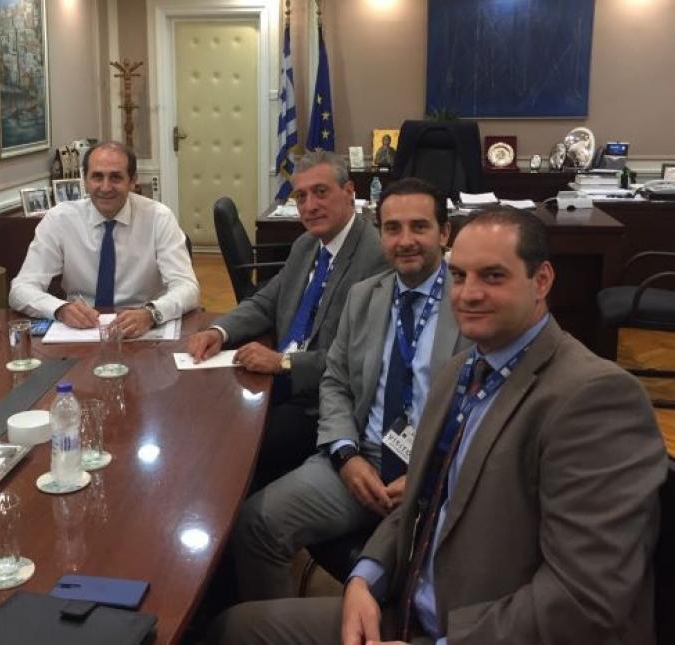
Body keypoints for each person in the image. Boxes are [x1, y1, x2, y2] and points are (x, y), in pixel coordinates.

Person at [210, 207, 667, 644]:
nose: (468, 294)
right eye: (459, 276)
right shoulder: (459, 372)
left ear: (542, 280)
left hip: (478, 629)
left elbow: (586, 600)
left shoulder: (595, 398)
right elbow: (424, 500)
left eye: (493, 276)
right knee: (233, 629)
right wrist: (365, 577)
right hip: (408, 607)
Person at [231, 177, 469, 602]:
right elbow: (335, 382)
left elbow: (489, 409)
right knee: (256, 524)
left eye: (419, 226)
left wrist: (431, 472)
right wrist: (345, 454)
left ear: (444, 233)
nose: (405, 240)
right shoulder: (365, 296)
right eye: (392, 228)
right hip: (362, 460)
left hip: (440, 473)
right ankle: (277, 626)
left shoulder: (471, 303)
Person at [187, 150, 388, 481]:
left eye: (320, 192)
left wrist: (282, 362)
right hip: (276, 377)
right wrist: (218, 331)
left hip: (319, 400)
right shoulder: (307, 245)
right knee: (202, 408)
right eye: (301, 196)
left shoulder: (375, 256)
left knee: (231, 445)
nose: (309, 206)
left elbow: (359, 361)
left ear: (349, 192)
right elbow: (265, 302)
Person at [9, 141, 199, 339]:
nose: (105, 187)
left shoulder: (158, 218)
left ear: (132, 181)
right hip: (81, 331)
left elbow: (187, 287)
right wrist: (60, 309)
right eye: (97, 177)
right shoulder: (60, 219)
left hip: (142, 331)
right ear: (85, 180)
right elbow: (21, 289)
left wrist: (152, 313)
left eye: (115, 177)